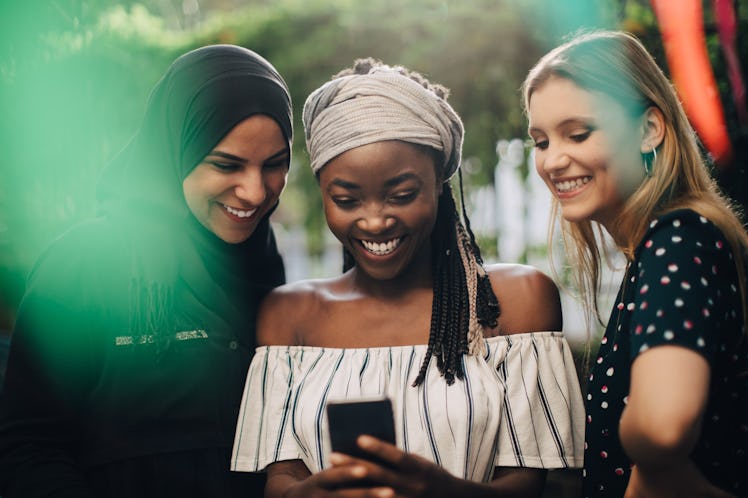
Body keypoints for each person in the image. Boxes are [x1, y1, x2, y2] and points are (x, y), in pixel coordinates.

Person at [231, 58, 584, 498]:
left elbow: (533, 489)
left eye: (402, 195)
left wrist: (437, 491)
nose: (375, 221)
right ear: (322, 191)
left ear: (439, 182)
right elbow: (280, 482)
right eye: (346, 199)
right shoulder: (289, 315)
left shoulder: (515, 302)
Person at [0, 44, 292, 497]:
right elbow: (28, 448)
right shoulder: (84, 264)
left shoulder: (266, 271)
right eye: (225, 164)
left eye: (274, 165)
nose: (255, 192)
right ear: (173, 149)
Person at [523, 30, 748, 497]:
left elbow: (664, 428)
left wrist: (648, 464)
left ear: (649, 129)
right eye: (541, 141)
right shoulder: (657, 248)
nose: (553, 160)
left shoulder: (679, 239)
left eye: (578, 133)